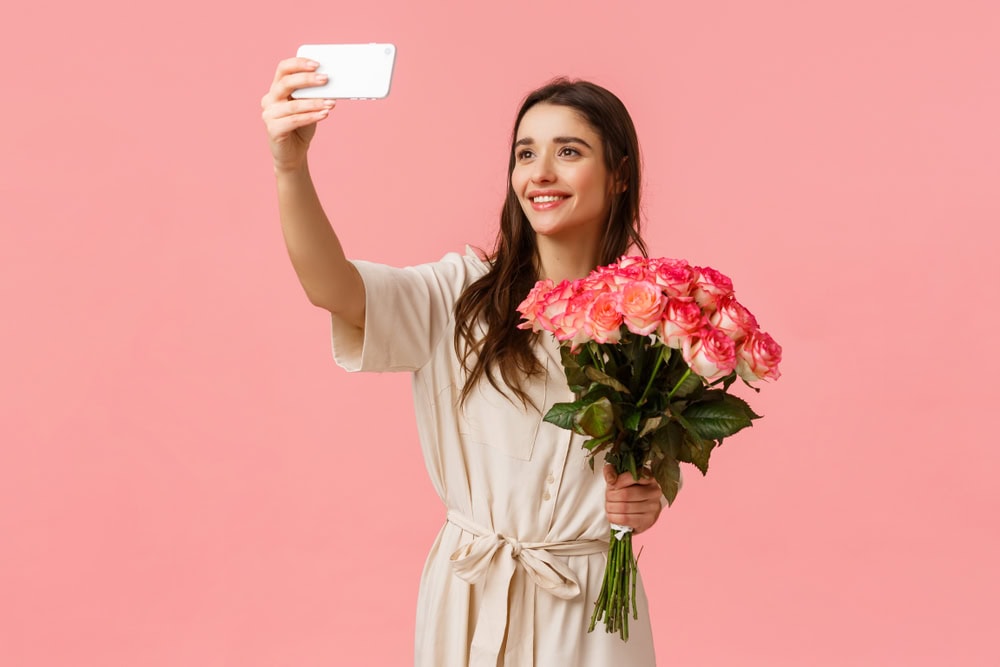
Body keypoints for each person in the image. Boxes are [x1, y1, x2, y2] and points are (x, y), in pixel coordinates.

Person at [261, 57, 665, 666]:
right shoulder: (460, 295)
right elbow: (333, 288)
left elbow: (652, 475)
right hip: (473, 596)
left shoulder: (656, 320)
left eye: (570, 152)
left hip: (591, 614)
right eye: (525, 154)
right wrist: (289, 167)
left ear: (619, 176)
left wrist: (645, 501)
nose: (541, 173)